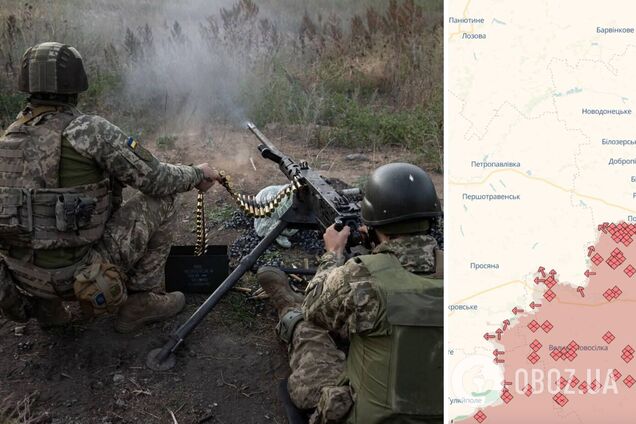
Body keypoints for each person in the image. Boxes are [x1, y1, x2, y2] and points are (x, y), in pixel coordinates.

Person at [0, 42, 221, 332]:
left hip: (25, 279)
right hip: (83, 277)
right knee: (166, 198)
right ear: (76, 82)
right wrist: (197, 173)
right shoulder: (88, 131)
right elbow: (156, 179)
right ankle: (141, 301)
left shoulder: (7, 140)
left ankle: (48, 308)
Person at [257, 162, 444, 423]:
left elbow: (313, 308)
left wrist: (332, 254)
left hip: (368, 418)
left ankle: (287, 307)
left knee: (307, 326)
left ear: (372, 226)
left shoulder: (361, 275)